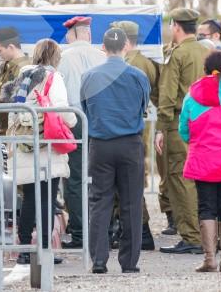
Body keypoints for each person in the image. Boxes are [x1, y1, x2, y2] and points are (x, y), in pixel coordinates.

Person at [2, 38, 77, 265]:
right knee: (47, 198)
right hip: (46, 146)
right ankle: (44, 251)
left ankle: (25, 249)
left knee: (29, 199)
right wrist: (74, 121)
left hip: (25, 145)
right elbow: (63, 111)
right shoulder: (54, 77)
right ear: (55, 56)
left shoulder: (22, 76)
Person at [81, 28, 150, 273]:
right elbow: (143, 107)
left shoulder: (89, 76)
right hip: (130, 143)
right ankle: (129, 263)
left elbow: (84, 110)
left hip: (99, 145)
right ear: (126, 46)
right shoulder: (138, 75)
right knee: (131, 203)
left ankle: (98, 261)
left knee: (100, 202)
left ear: (103, 47)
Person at [179, 50, 221, 272]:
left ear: (206, 68)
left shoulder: (191, 95)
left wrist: (199, 141)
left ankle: (209, 259)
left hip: (202, 160)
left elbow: (184, 131)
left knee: (206, 207)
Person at [155, 8, 209, 254]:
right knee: (202, 181)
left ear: (176, 26)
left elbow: (167, 95)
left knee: (180, 180)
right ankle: (206, 235)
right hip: (207, 124)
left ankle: (191, 236)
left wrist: (162, 128)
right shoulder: (206, 51)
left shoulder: (176, 55)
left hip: (180, 124)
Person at [110, 20, 160, 250]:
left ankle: (142, 233)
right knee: (124, 186)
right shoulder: (141, 61)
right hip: (129, 129)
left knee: (129, 186)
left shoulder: (136, 64)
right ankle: (130, 231)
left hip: (127, 129)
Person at [57, 16, 106, 249]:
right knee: (101, 177)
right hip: (101, 120)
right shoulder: (102, 56)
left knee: (75, 178)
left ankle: (79, 234)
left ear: (72, 34)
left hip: (74, 119)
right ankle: (101, 232)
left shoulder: (63, 57)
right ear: (87, 33)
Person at [0, 27, 31, 135]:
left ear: (10, 47)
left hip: (16, 130)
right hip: (7, 128)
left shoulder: (23, 68)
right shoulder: (8, 66)